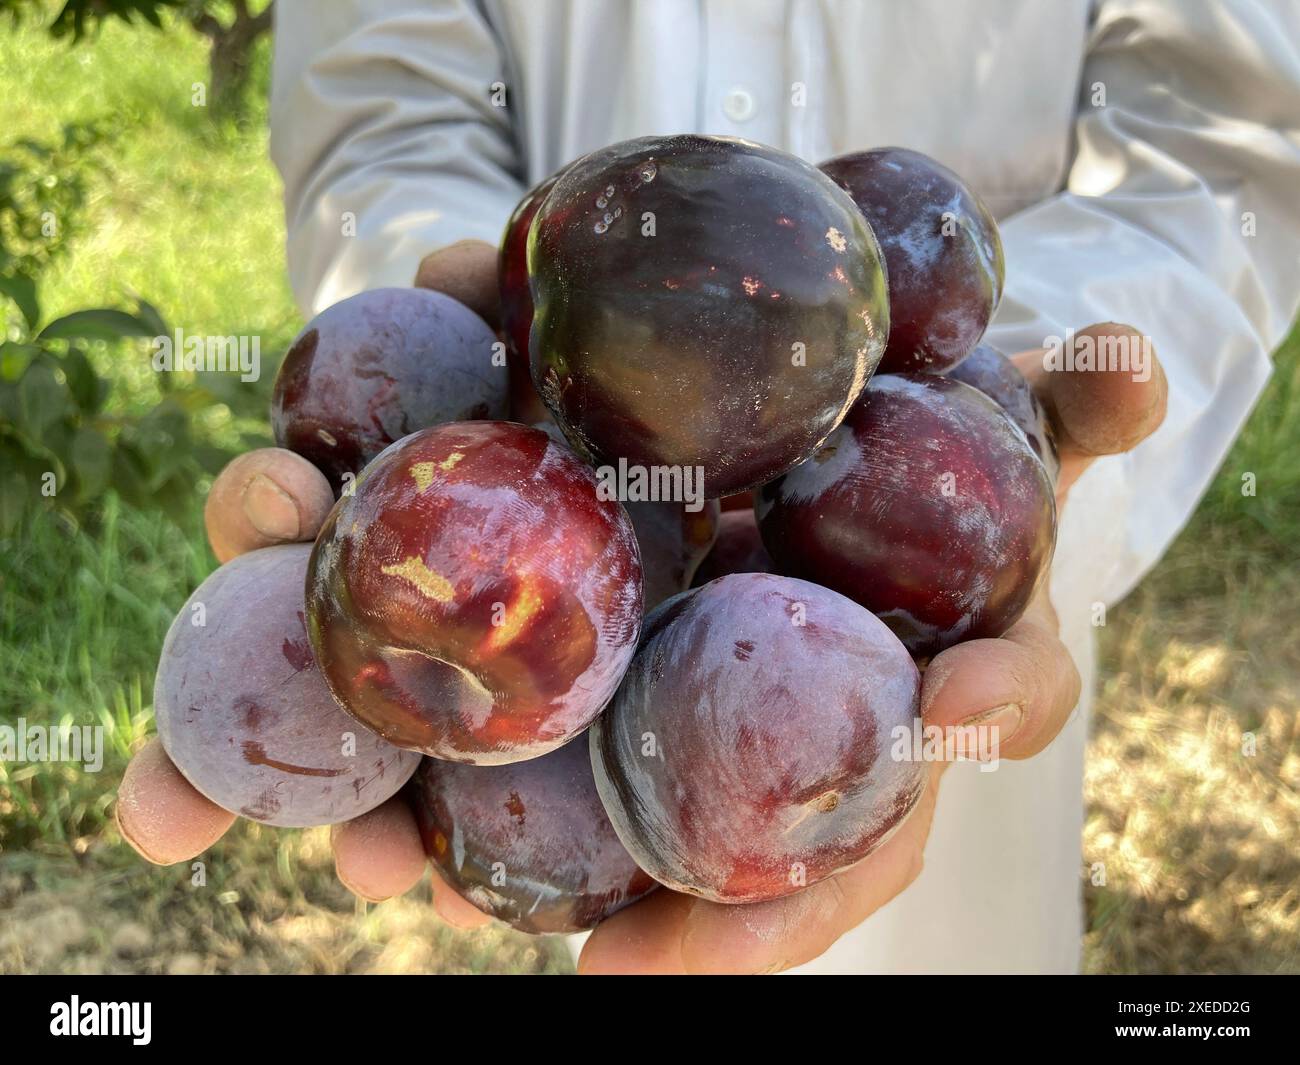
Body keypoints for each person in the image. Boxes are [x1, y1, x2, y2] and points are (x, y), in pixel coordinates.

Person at [116, 0, 1300, 974]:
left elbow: (1225, 136)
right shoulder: (513, 462)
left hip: (867, 632)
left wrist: (1030, 421)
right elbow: (381, 113)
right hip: (584, 675)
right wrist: (457, 364)